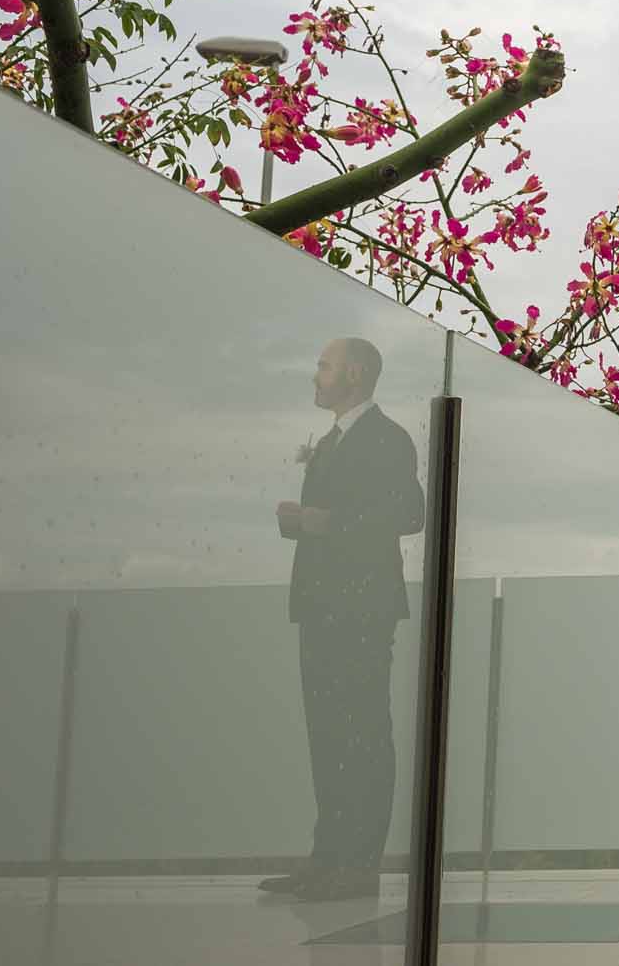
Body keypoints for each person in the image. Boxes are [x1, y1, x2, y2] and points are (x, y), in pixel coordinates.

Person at [259, 337, 423, 902]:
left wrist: (323, 522)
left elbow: (409, 512)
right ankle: (328, 856)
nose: (315, 376)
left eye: (323, 366)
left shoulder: (388, 438)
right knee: (326, 733)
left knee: (363, 733)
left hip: (362, 608)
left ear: (352, 374)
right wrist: (308, 524)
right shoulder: (331, 441)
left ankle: (358, 864)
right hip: (322, 607)